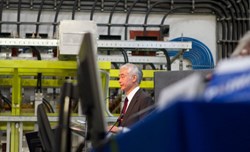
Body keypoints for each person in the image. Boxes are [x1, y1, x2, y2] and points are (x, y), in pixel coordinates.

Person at [108, 63, 154, 133]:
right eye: (119, 77)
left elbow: (146, 129)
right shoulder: (128, 100)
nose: (119, 80)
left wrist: (120, 130)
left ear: (134, 78)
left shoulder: (144, 99)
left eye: (122, 77)